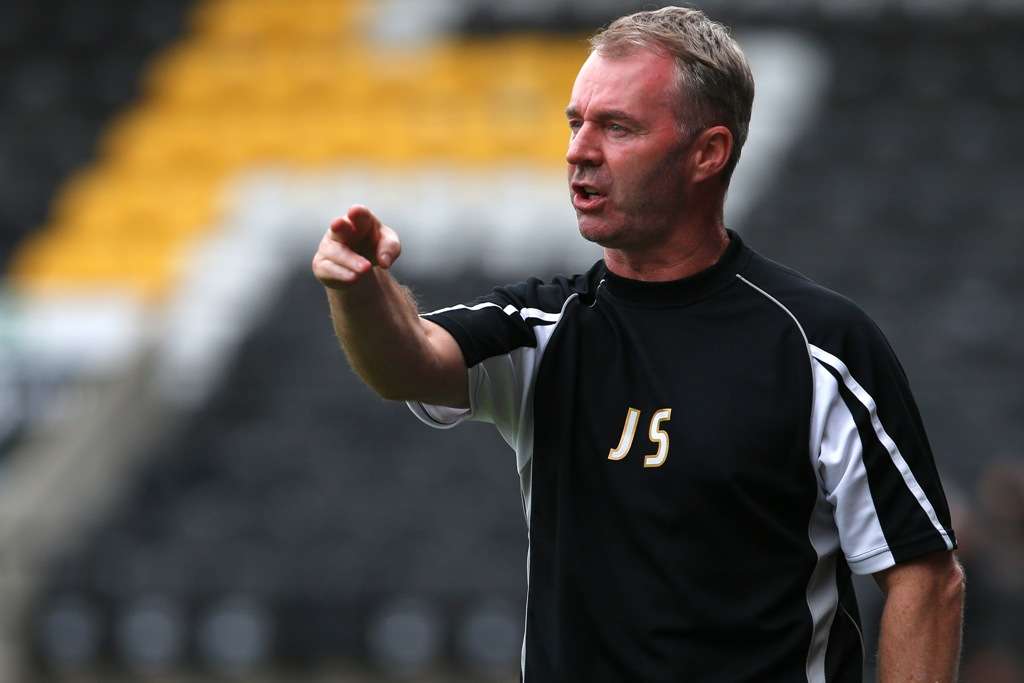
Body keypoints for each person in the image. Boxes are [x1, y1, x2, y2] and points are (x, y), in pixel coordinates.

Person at [312, 6, 964, 682]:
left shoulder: (821, 346)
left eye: (616, 127)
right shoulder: (545, 326)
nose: (579, 150)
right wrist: (360, 287)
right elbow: (408, 361)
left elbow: (926, 578)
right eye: (576, 123)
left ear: (707, 153)